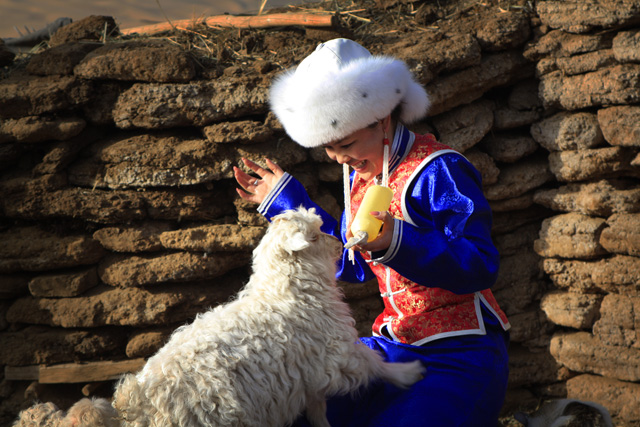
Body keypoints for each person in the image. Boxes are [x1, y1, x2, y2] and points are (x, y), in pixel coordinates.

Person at [233, 38, 510, 427]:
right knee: (290, 411)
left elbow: (480, 265)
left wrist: (398, 240)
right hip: (390, 348)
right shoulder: (362, 175)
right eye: (327, 149)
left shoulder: (438, 170)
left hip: (461, 351)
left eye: (345, 143)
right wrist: (287, 202)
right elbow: (354, 262)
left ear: (382, 119)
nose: (338, 158)